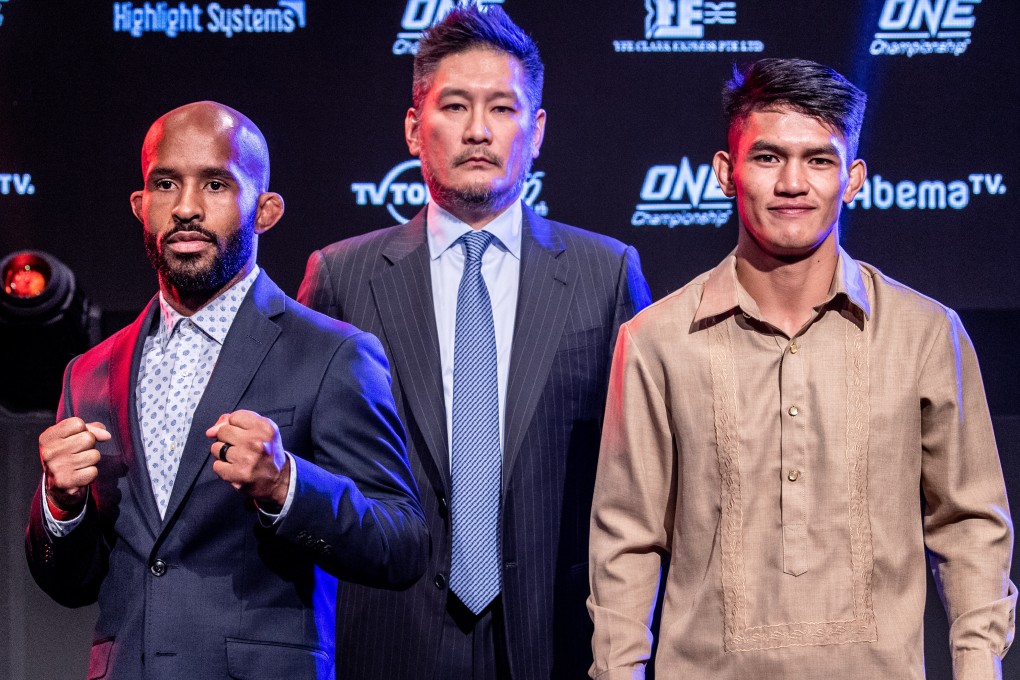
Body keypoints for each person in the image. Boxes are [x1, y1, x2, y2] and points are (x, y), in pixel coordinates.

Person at [588, 58, 1016, 679]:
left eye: (819, 160)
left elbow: (971, 521)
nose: (793, 182)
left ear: (853, 179)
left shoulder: (926, 334)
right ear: (725, 174)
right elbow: (626, 541)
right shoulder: (657, 341)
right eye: (767, 158)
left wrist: (978, 667)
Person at [298, 6, 651, 678]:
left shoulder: (607, 276)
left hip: (556, 643)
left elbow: (644, 479)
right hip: (386, 642)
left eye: (504, 109)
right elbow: (302, 474)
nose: (479, 131)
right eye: (455, 106)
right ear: (413, 128)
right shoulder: (341, 275)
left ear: (537, 130)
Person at [25, 101, 428, 680]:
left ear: (265, 210)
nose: (186, 208)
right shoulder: (88, 371)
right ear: (142, 206)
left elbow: (402, 542)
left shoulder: (332, 352)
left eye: (216, 184)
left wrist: (287, 484)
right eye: (166, 184)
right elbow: (71, 583)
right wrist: (60, 506)